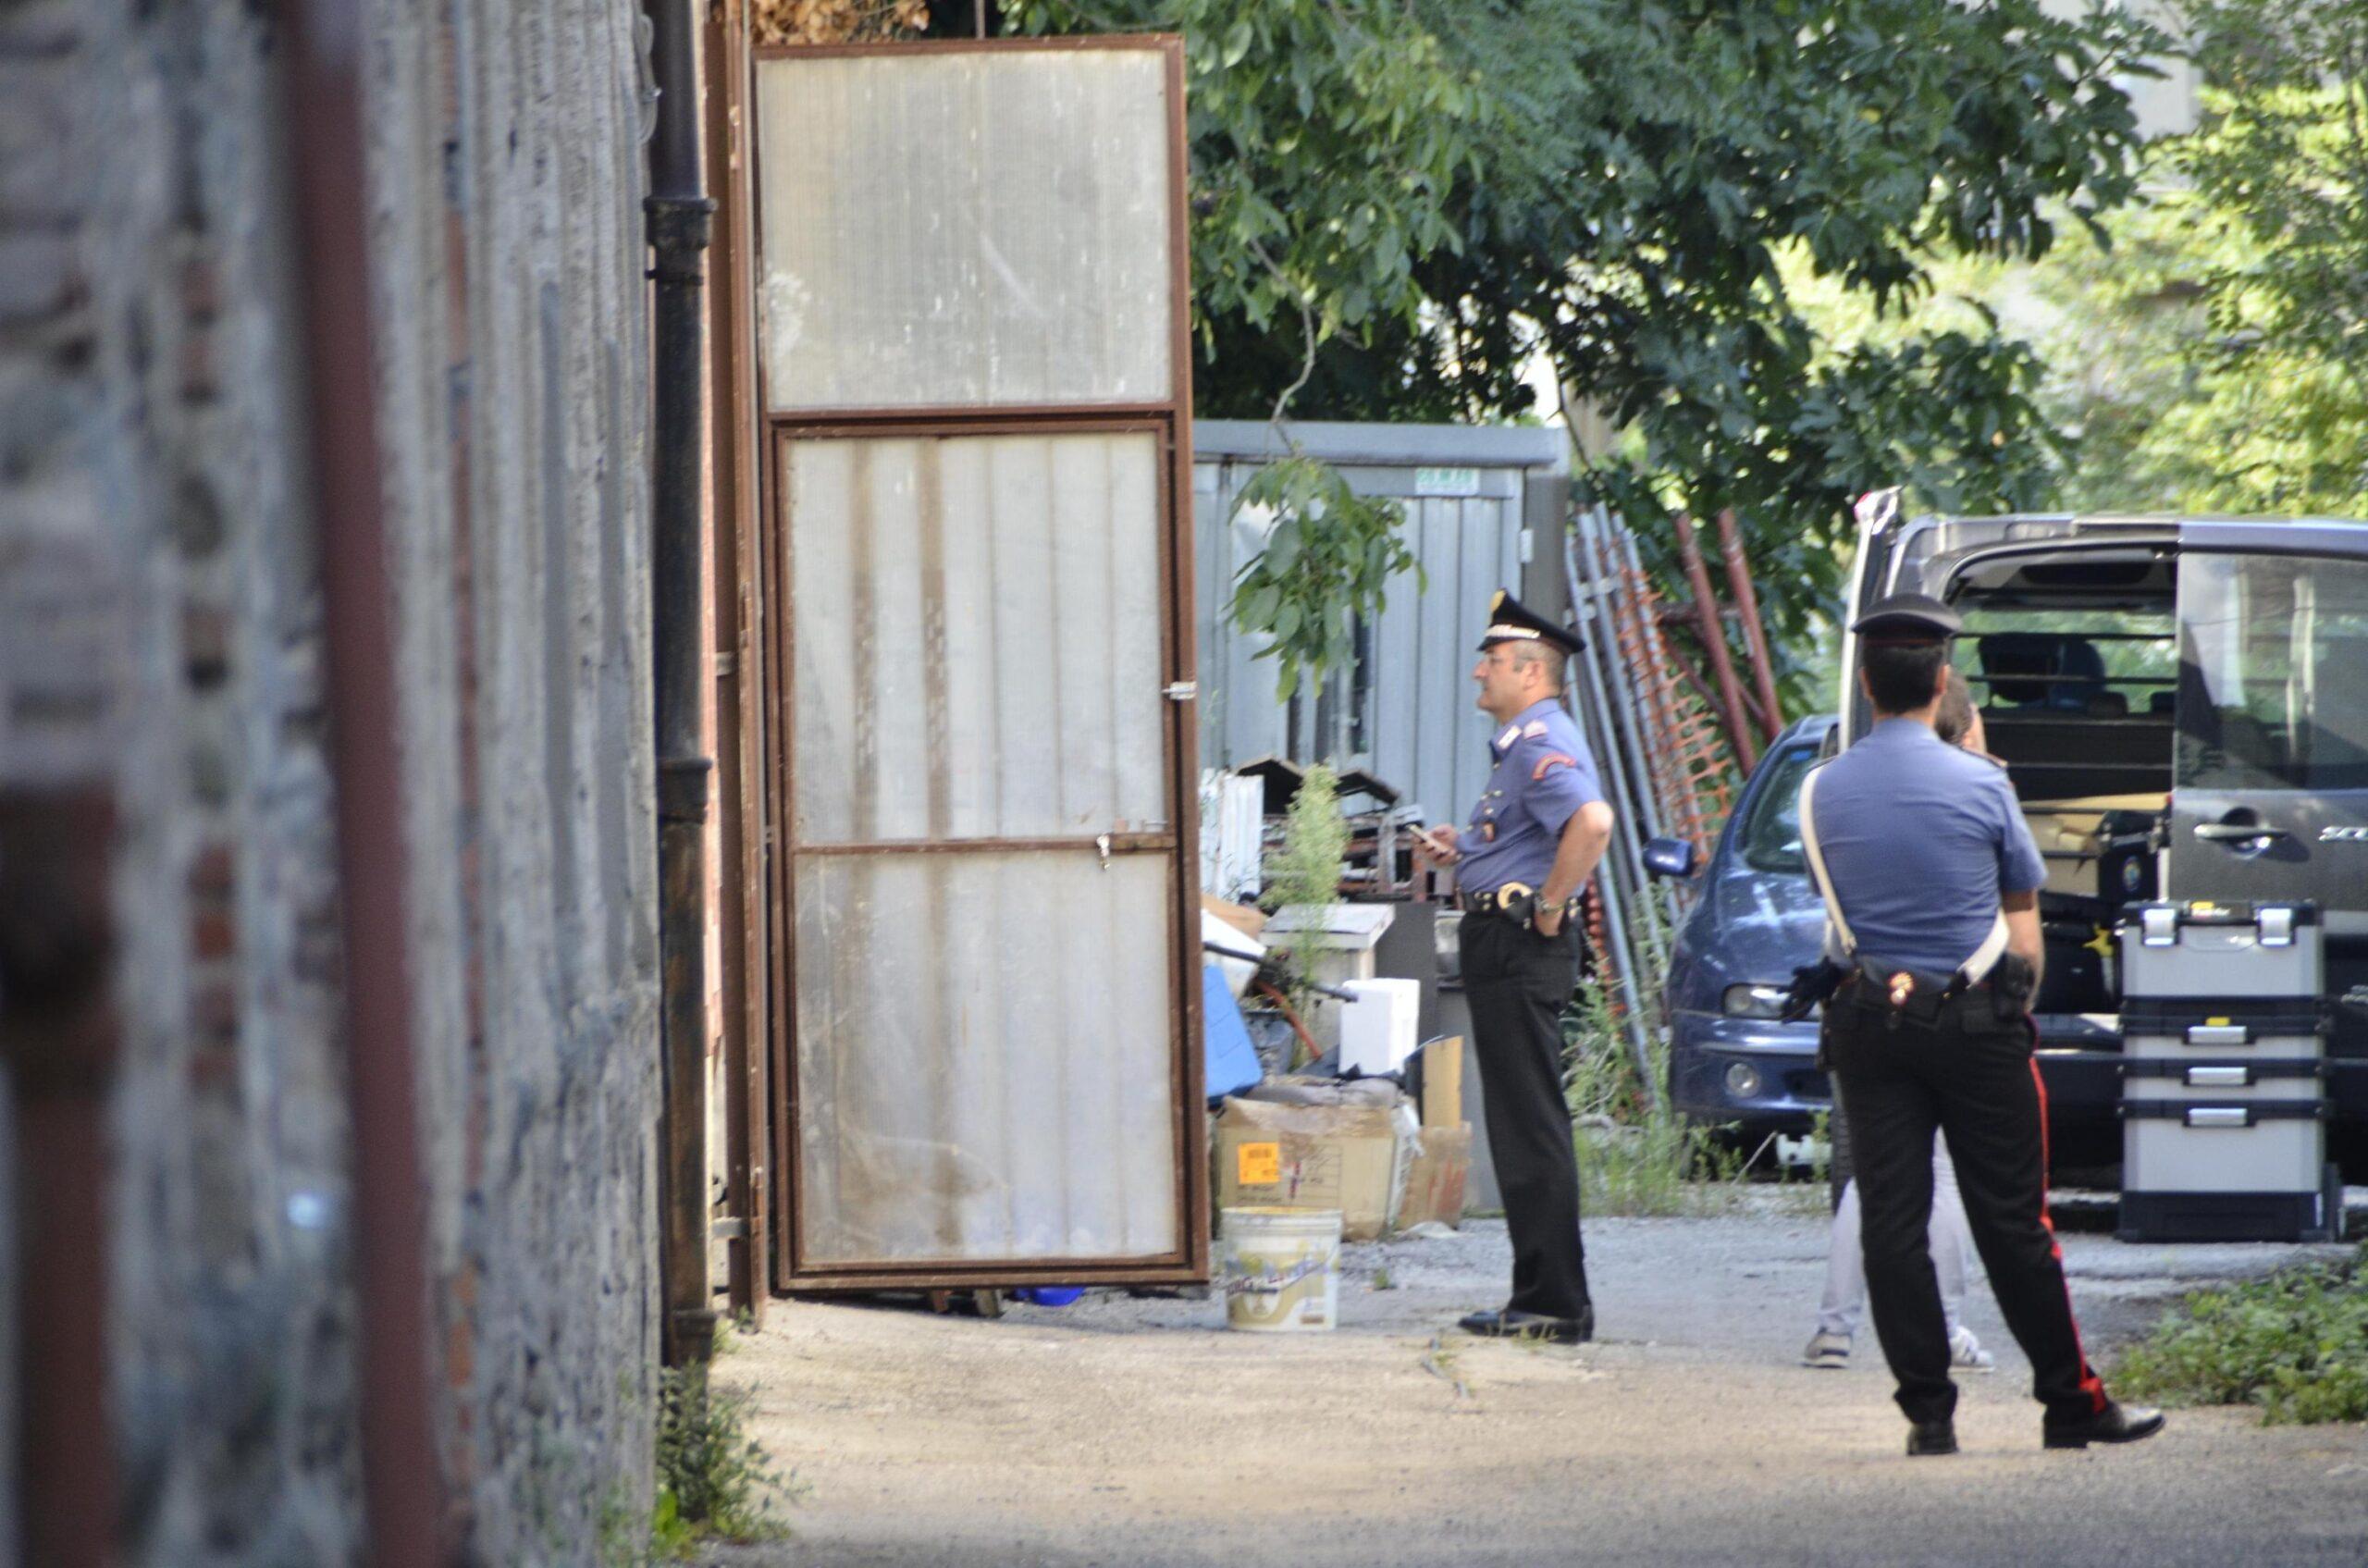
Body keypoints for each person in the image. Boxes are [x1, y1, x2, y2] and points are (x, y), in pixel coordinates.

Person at [1794, 592, 2162, 1456]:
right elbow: (2021, 914)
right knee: (2014, 1220)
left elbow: (1837, 903)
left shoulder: (1820, 792)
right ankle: (2070, 1402)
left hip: (1864, 1019)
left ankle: (1928, 1409)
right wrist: (2012, 997)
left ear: (1865, 680)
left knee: (1891, 1216)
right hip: (1975, 1021)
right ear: (1942, 680)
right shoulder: (1984, 785)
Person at [1425, 590, 1614, 1345]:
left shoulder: (1538, 739)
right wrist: (1465, 852)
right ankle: (1543, 1292)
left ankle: (1554, 1301)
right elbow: (1534, 836)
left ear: (1532, 672)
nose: (1479, 673)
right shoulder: (1524, 742)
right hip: (1504, 938)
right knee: (1524, 1120)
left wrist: (1548, 907)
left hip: (1519, 943)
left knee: (1529, 1124)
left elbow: (1592, 821)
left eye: (1492, 661)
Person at [1803, 669, 1992, 1375]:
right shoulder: (1976, 791)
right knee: (1939, 1175)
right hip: (1952, 1002)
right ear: (1962, 726)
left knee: (1875, 1174)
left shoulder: (1850, 789)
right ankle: (1944, 1329)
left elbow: (1837, 916)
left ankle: (1834, 1327)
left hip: (1866, 995)